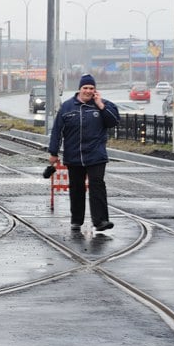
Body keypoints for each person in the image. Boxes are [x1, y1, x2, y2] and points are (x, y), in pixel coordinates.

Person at [48, 74, 120, 232]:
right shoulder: (67, 107)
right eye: (85, 88)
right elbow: (57, 131)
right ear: (79, 89)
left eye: (91, 88)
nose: (88, 91)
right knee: (77, 188)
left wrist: (101, 105)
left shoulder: (104, 105)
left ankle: (100, 221)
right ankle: (76, 220)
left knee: (97, 185)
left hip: (96, 155)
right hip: (74, 156)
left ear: (95, 90)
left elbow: (113, 121)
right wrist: (53, 152)